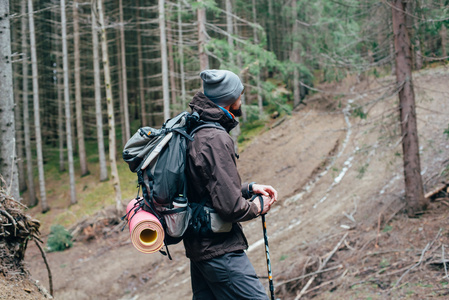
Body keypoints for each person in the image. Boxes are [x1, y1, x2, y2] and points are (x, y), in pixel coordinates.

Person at [184, 69, 278, 300]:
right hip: (219, 250)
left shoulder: (196, 129)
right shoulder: (215, 139)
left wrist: (248, 188)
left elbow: (205, 185)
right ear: (229, 98)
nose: (241, 99)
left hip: (200, 246)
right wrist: (258, 206)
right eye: (240, 94)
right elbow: (231, 208)